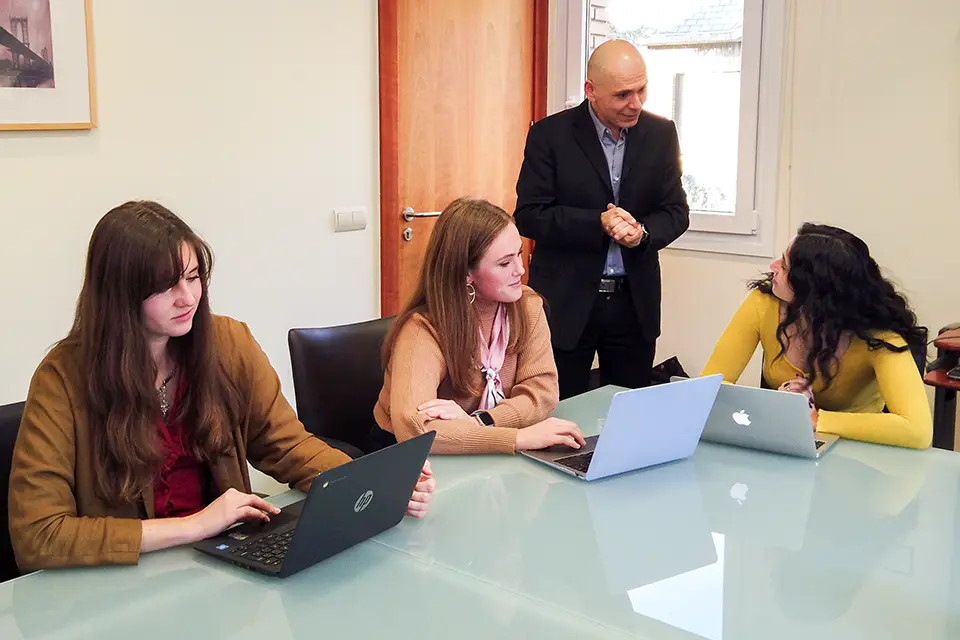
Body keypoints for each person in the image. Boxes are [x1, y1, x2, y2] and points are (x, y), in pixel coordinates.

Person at [8, 201, 436, 572]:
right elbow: (38, 535)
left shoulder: (227, 344)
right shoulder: (64, 378)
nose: (187, 297)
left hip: (220, 562)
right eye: (165, 286)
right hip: (128, 579)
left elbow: (286, 446)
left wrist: (371, 482)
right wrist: (194, 526)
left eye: (193, 278)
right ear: (119, 295)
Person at [514, 39, 690, 400]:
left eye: (641, 90)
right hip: (566, 304)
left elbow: (675, 211)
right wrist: (598, 223)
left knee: (631, 413)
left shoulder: (661, 134)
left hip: (633, 303)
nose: (635, 103)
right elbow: (530, 216)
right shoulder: (549, 136)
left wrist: (642, 233)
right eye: (623, 94)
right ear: (591, 91)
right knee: (558, 414)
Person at [374, 198, 587, 455]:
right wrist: (516, 438)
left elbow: (542, 393)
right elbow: (416, 430)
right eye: (504, 263)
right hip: (416, 460)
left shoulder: (528, 305)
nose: (520, 269)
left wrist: (480, 421)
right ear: (466, 273)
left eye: (519, 254)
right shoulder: (423, 329)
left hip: (483, 450)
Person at [701, 223, 932, 449]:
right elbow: (709, 385)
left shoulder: (880, 336)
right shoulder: (764, 304)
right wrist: (773, 407)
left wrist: (816, 420)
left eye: (785, 266)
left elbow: (917, 430)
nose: (773, 266)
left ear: (813, 288)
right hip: (786, 444)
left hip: (857, 453)